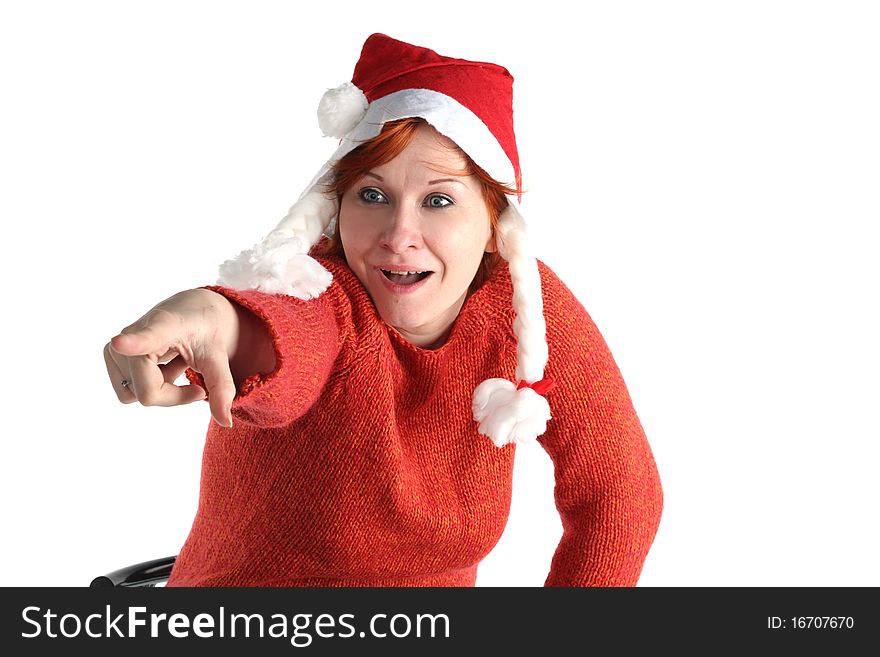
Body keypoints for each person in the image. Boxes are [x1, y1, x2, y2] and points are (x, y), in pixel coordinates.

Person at [103, 33, 663, 587]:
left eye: (438, 201)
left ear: (495, 226)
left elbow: (621, 492)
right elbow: (281, 337)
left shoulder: (524, 306)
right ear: (335, 207)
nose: (399, 236)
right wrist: (211, 317)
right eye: (372, 196)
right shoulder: (321, 290)